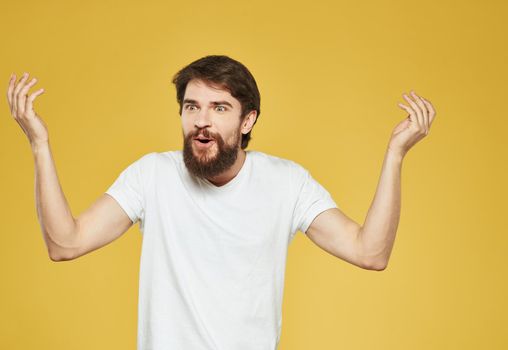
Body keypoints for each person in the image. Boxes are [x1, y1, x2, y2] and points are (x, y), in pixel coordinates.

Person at [6, 55, 436, 350]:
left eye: (219, 107)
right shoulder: (151, 175)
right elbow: (65, 243)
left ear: (247, 120)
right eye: (192, 106)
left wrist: (395, 154)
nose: (202, 121)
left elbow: (370, 252)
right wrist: (39, 144)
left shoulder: (286, 182)